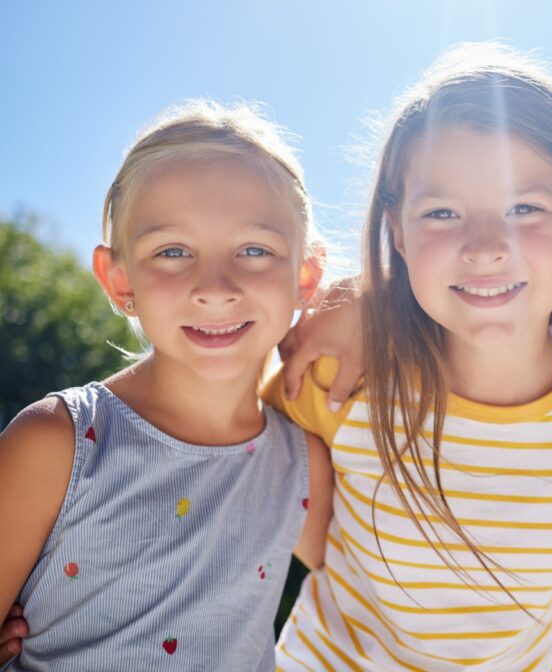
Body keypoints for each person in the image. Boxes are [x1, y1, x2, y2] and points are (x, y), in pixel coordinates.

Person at [265, 45, 552, 671]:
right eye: (441, 213)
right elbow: (239, 459)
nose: (485, 247)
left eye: (525, 208)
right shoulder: (342, 369)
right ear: (397, 233)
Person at [0, 101, 333, 671]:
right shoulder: (57, 443)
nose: (215, 287)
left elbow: (388, 585)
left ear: (305, 278)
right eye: (172, 251)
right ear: (118, 280)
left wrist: (364, 311)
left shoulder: (302, 463)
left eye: (254, 250)